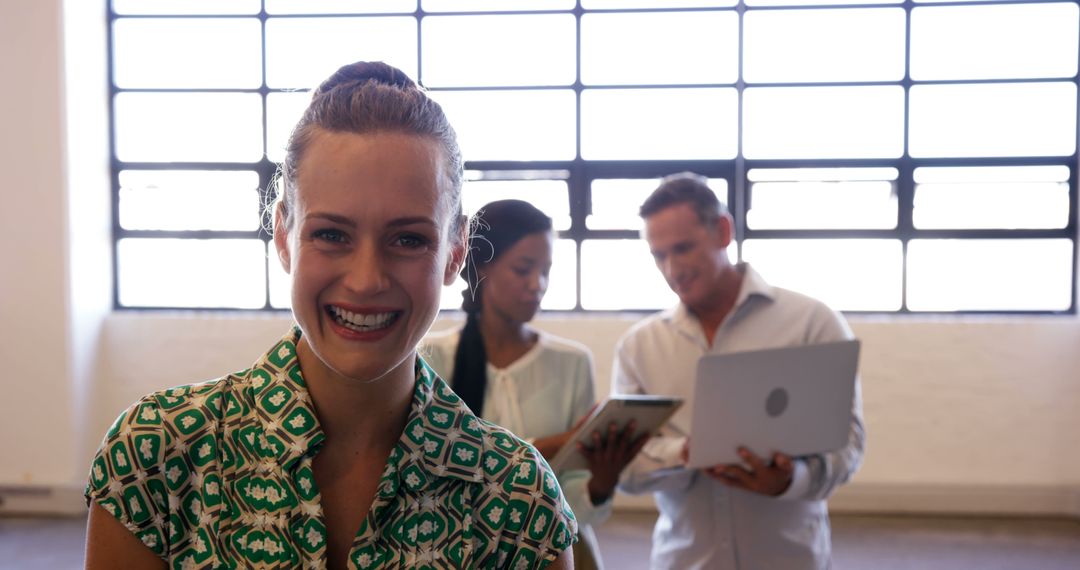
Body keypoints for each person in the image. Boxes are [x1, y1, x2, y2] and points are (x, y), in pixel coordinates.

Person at [84, 61, 577, 570]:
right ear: (282, 235)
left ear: (455, 253)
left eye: (408, 239)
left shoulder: (516, 494)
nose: (366, 280)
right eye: (331, 235)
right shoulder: (160, 453)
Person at [611, 172, 865, 569]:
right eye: (659, 256)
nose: (672, 269)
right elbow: (624, 468)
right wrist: (684, 454)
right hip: (686, 561)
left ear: (723, 231)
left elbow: (848, 445)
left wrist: (790, 480)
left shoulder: (812, 323)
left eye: (683, 248)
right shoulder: (639, 346)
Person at [423, 199, 646, 570]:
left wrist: (600, 485)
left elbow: (574, 502)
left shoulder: (572, 362)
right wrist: (553, 445)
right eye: (524, 269)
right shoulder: (433, 360)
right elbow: (435, 483)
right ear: (482, 267)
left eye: (546, 271)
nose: (537, 285)